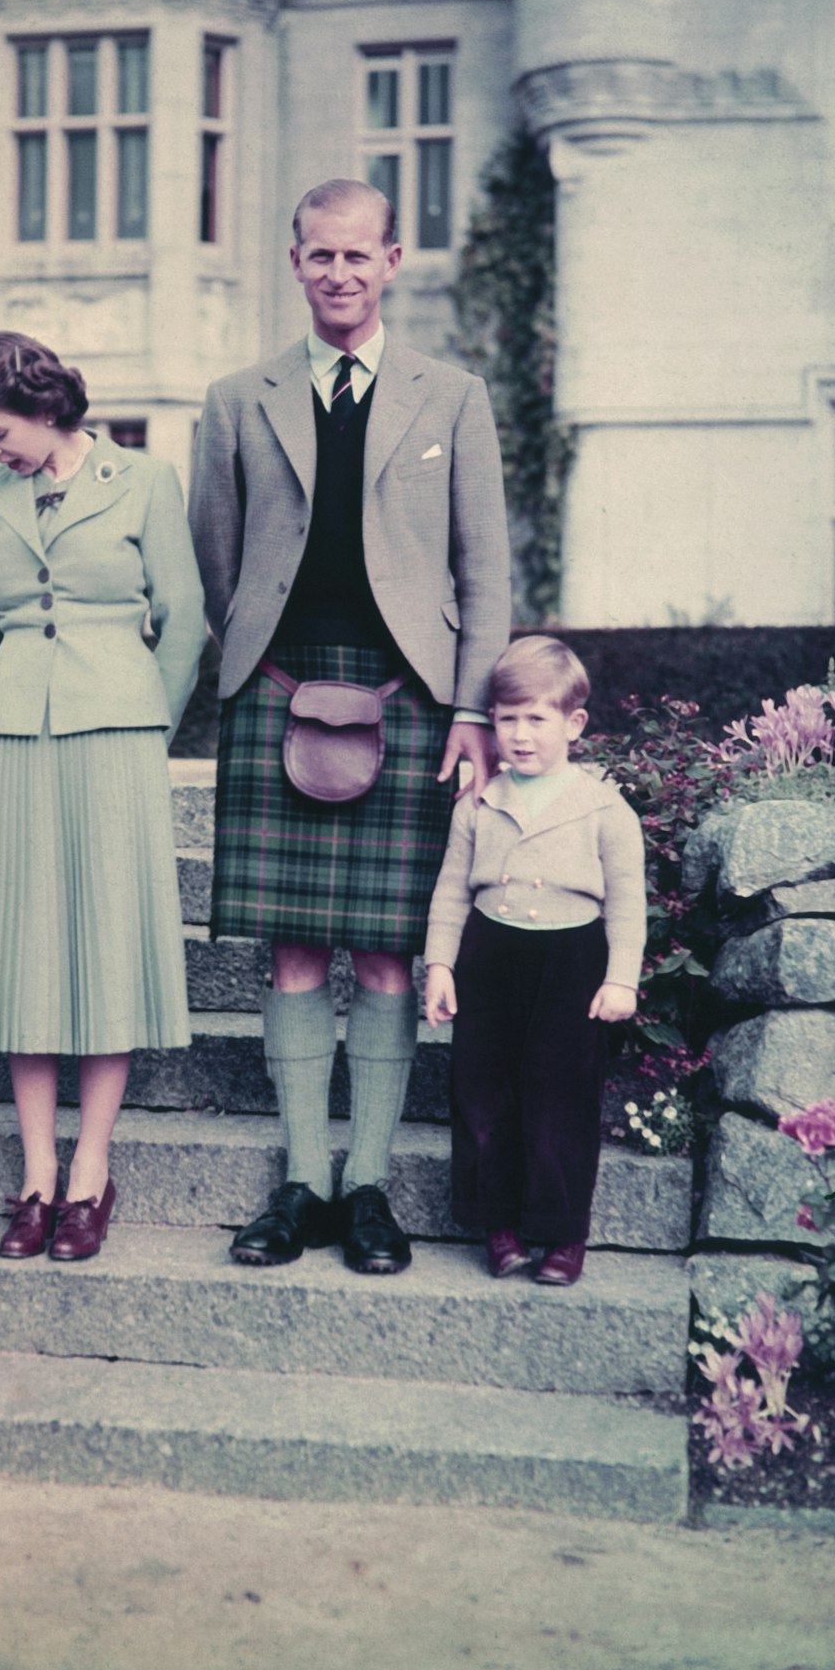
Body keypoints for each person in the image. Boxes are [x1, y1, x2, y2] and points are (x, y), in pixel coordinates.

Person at [189, 178, 511, 1274]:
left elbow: (487, 566)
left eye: (357, 256)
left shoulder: (454, 395)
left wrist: (471, 707)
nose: (338, 272)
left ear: (392, 259)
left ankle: (367, 1186)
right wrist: (252, 669)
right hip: (280, 685)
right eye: (319, 255)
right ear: (294, 261)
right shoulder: (238, 397)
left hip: (409, 696)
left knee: (384, 954)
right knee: (292, 950)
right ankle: (297, 1183)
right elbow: (216, 556)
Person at [0, 330, 205, 1263]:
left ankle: (91, 1171)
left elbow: (184, 624)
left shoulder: (144, 483)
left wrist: (144, 724)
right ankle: (36, 1177)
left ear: (47, 407)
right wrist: (13, 695)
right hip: (13, 740)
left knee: (103, 941)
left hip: (117, 738)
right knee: (22, 948)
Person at [423, 636, 646, 1286]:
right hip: (490, 954)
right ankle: (500, 1225)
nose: (519, 735)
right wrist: (440, 965)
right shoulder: (480, 803)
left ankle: (562, 1232)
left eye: (536, 719)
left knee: (561, 1097)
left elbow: (629, 901)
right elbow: (450, 889)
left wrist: (621, 977)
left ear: (574, 724)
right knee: (483, 1091)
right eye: (506, 717)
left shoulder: (604, 808)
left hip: (570, 961)